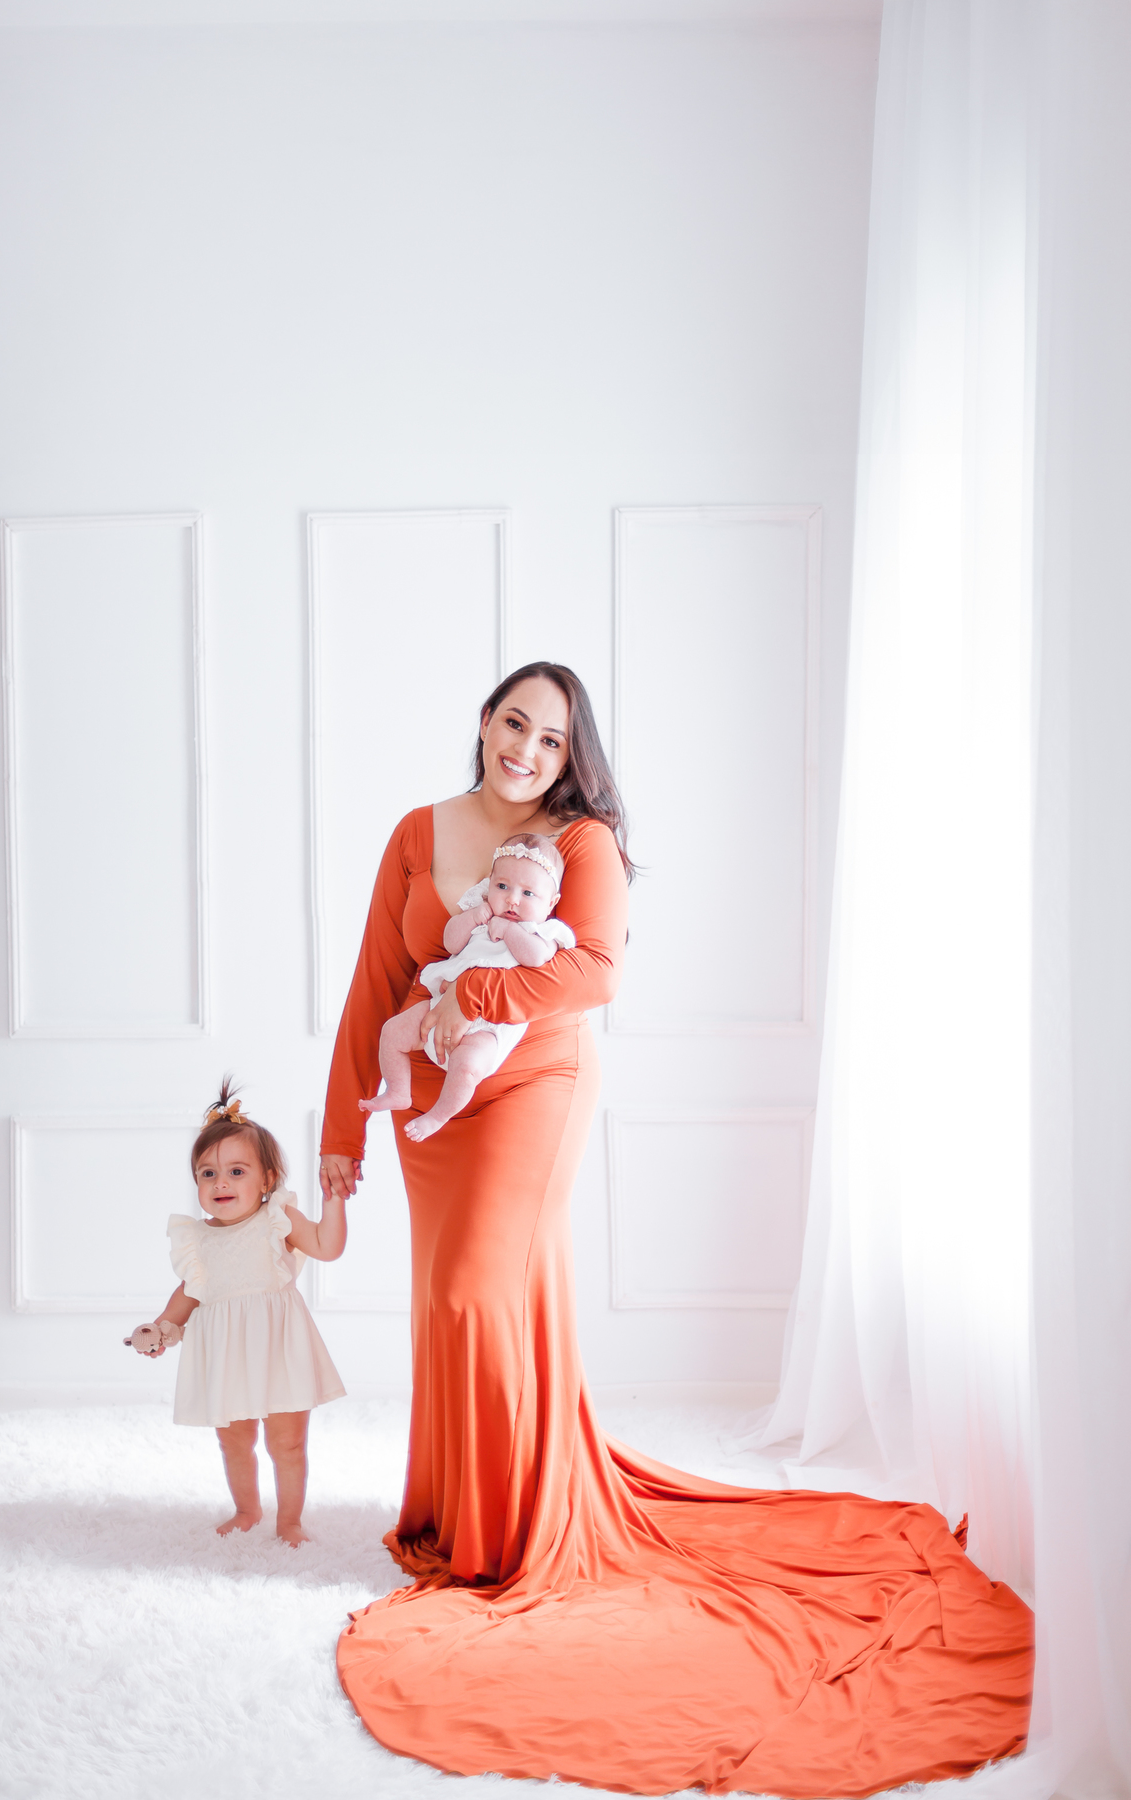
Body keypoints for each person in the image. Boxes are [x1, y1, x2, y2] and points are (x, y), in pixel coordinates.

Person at [319, 662, 1033, 1796]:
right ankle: (469, 1518)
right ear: (485, 721)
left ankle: (512, 1540)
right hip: (427, 1109)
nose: (526, 750)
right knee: (449, 1301)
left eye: (552, 740)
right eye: (515, 723)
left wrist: (466, 999)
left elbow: (593, 974)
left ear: (572, 756)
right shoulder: (417, 831)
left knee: (476, 1289)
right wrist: (340, 1137)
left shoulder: (584, 841)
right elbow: (374, 980)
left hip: (530, 1086)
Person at [126, 1081, 347, 1547]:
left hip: (279, 1351)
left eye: (236, 1171)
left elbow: (327, 1247)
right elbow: (187, 1296)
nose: (220, 1183)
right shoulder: (198, 1240)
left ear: (267, 1180)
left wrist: (335, 1199)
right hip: (226, 1358)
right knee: (233, 1441)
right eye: (207, 1174)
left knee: (287, 1443)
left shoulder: (277, 1220)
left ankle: (290, 1520)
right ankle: (247, 1508)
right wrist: (161, 1329)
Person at [359, 831, 575, 1142]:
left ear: (551, 902)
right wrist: (474, 917)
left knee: (468, 1066)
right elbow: (451, 942)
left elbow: (536, 958)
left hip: (490, 1025)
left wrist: (508, 931)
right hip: (441, 1004)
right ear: (489, 885)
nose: (512, 899)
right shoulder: (481, 914)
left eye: (528, 893)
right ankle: (398, 1090)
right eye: (502, 886)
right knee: (392, 1032)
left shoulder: (543, 932)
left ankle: (438, 1115)